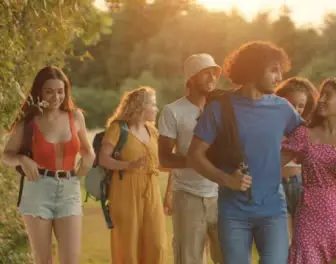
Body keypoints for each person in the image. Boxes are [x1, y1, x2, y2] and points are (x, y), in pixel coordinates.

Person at [187, 41, 303, 264]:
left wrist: (278, 160)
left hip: (273, 209)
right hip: (234, 211)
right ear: (253, 70)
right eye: (273, 70)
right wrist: (227, 180)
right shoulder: (219, 108)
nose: (279, 78)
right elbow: (195, 155)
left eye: (280, 70)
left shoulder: (282, 108)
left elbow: (305, 139)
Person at [2, 66, 95, 264]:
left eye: (60, 91)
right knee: (43, 260)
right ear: (39, 92)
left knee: (71, 260)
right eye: (49, 91)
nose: (56, 97)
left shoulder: (76, 117)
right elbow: (7, 155)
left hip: (69, 189)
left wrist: (89, 157)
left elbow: (87, 149)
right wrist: (22, 159)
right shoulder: (29, 122)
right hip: (38, 189)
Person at [281, 77, 336, 264]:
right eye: (321, 94)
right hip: (310, 214)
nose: (321, 99)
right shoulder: (304, 134)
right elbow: (273, 163)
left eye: (328, 96)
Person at [158, 53, 223, 264]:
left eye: (214, 73)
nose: (212, 77)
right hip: (188, 196)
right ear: (191, 78)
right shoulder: (172, 111)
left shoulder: (223, 110)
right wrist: (197, 161)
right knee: (190, 259)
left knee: (230, 257)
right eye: (206, 73)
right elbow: (165, 159)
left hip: (222, 195)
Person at [98, 86, 167, 264]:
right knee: (128, 247)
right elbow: (103, 159)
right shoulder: (117, 128)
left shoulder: (153, 131)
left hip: (151, 191)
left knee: (157, 244)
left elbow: (159, 162)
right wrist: (128, 165)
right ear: (140, 107)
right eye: (153, 104)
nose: (156, 109)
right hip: (125, 191)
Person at [274, 77, 318, 241]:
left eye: (301, 106)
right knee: (282, 241)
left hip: (300, 185)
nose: (297, 109)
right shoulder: (270, 125)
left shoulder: (305, 129)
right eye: (292, 103)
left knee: (302, 242)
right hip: (276, 186)